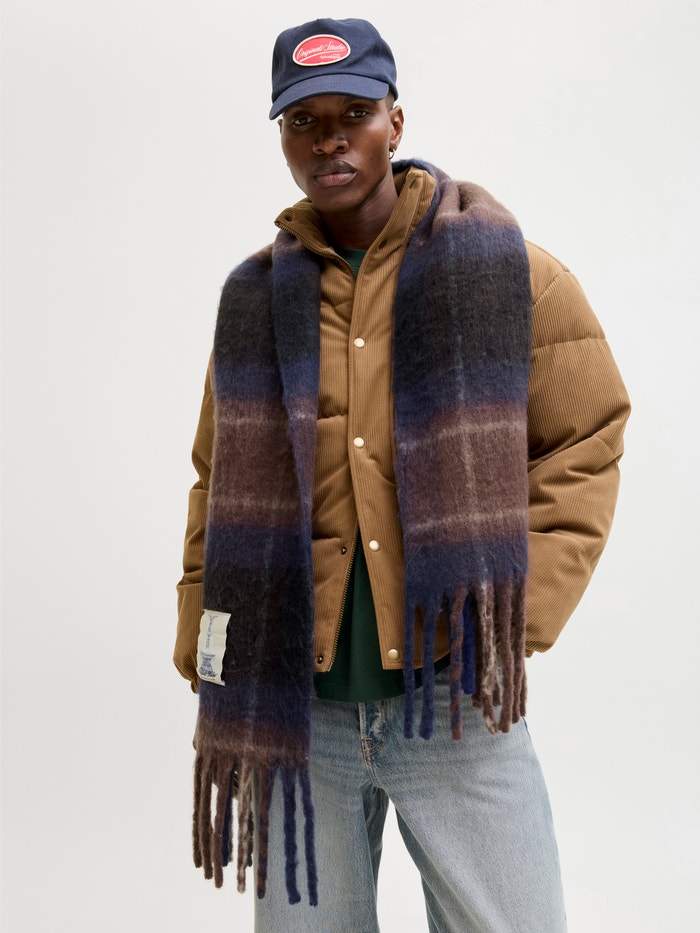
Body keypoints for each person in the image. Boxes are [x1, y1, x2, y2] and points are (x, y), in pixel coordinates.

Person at [174, 17, 631, 933]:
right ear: (283, 137)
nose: (330, 139)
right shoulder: (252, 301)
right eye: (304, 122)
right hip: (300, 711)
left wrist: (510, 613)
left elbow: (587, 436)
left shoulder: (509, 271)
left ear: (396, 120)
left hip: (456, 702)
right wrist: (206, 633)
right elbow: (216, 478)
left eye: (353, 113)